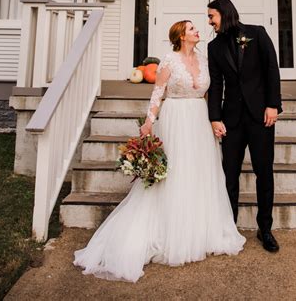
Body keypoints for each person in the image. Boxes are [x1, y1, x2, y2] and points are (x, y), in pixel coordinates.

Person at [74, 20, 245, 282]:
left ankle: (200, 232)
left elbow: (209, 94)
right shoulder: (169, 61)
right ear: (180, 36)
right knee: (176, 174)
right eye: (191, 29)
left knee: (200, 174)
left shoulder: (204, 59)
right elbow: (158, 94)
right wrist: (149, 122)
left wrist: (214, 120)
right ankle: (172, 234)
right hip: (176, 119)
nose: (197, 30)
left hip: (199, 121)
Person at [207, 0, 282, 253]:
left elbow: (272, 69)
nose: (209, 21)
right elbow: (216, 85)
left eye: (211, 16)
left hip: (261, 116)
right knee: (229, 176)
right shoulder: (213, 47)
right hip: (232, 120)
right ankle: (229, 228)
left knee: (264, 173)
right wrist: (215, 117)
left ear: (224, 14)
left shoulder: (257, 34)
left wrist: (273, 104)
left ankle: (266, 229)